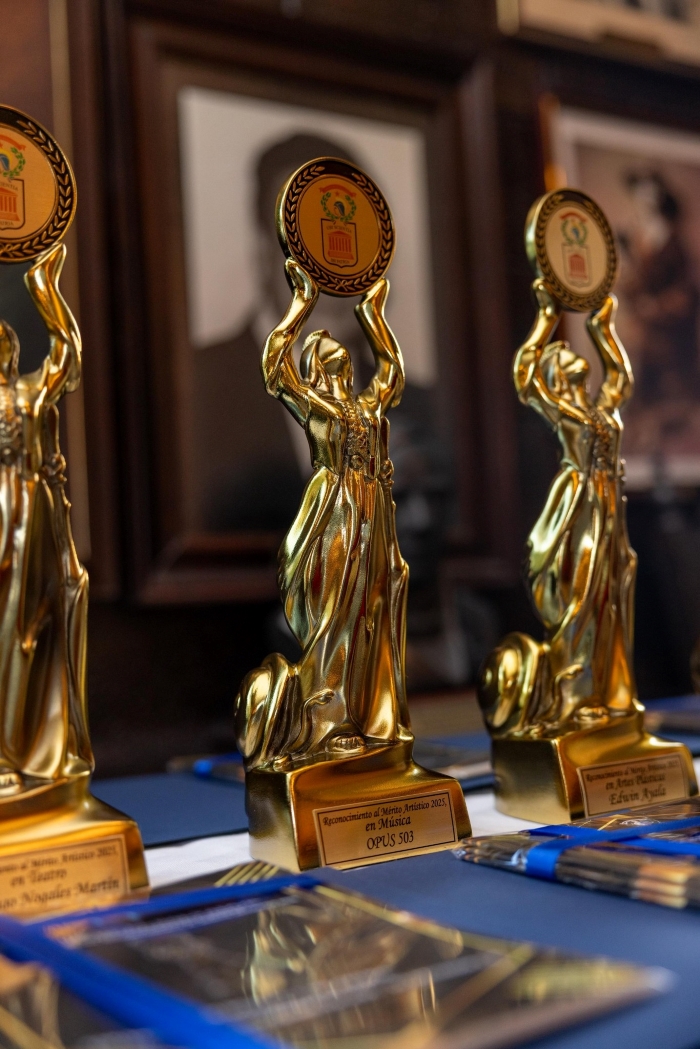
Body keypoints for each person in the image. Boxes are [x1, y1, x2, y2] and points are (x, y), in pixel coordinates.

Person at [234, 261, 412, 769]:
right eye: (327, 358)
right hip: (334, 517)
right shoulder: (316, 407)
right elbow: (275, 368)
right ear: (316, 368)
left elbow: (391, 373)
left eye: (342, 360)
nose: (338, 362)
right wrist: (300, 304)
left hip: (373, 520)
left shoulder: (365, 409)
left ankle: (373, 719)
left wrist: (373, 316)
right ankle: (329, 723)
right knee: (336, 621)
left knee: (372, 614)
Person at [479, 279, 639, 736]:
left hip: (610, 510)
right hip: (579, 508)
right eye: (563, 361)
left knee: (612, 600)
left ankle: (611, 695)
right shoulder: (563, 411)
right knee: (581, 601)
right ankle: (574, 695)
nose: (569, 357)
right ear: (557, 379)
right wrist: (546, 318)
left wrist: (603, 330)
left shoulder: (600, 410)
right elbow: (524, 376)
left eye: (573, 360)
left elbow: (620, 379)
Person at [0, 243, 92, 792]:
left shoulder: (32, 395)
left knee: (35, 628)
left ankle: (33, 752)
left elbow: (66, 358)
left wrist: (46, 289)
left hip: (33, 519)